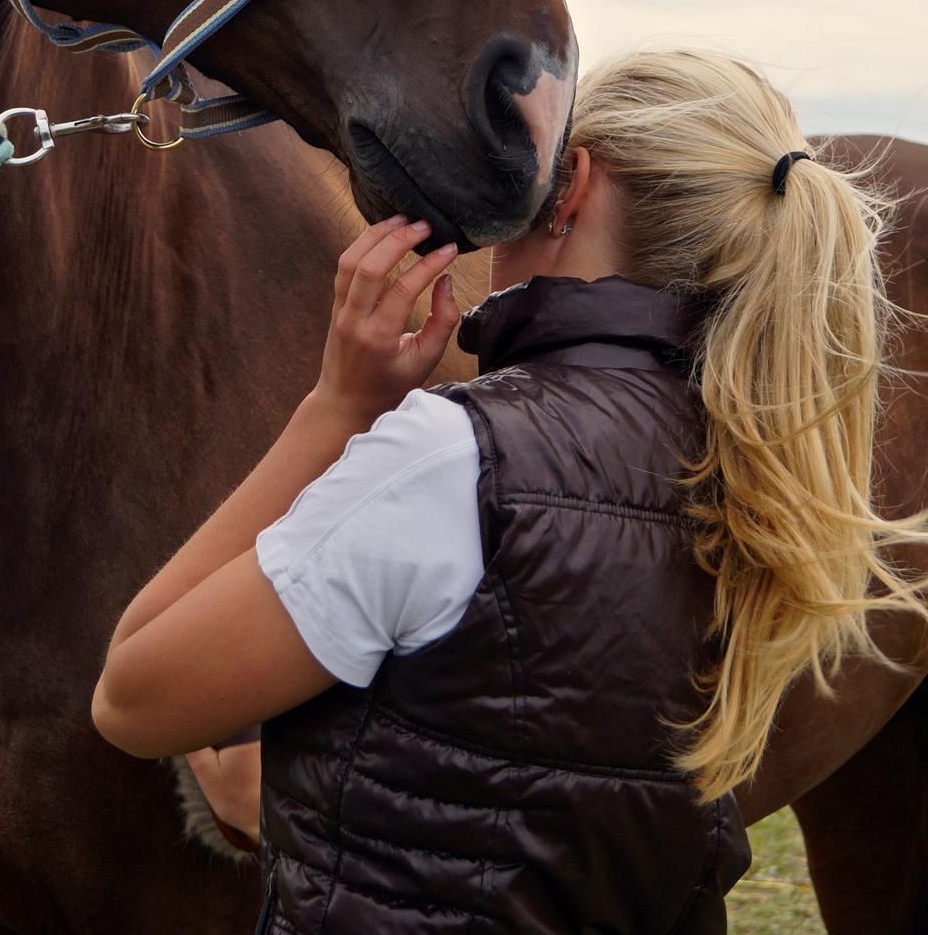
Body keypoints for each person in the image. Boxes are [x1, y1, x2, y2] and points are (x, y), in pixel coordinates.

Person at [92, 49, 928, 933]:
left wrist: (335, 409)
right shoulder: (764, 472)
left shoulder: (452, 458)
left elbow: (132, 699)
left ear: (567, 187)